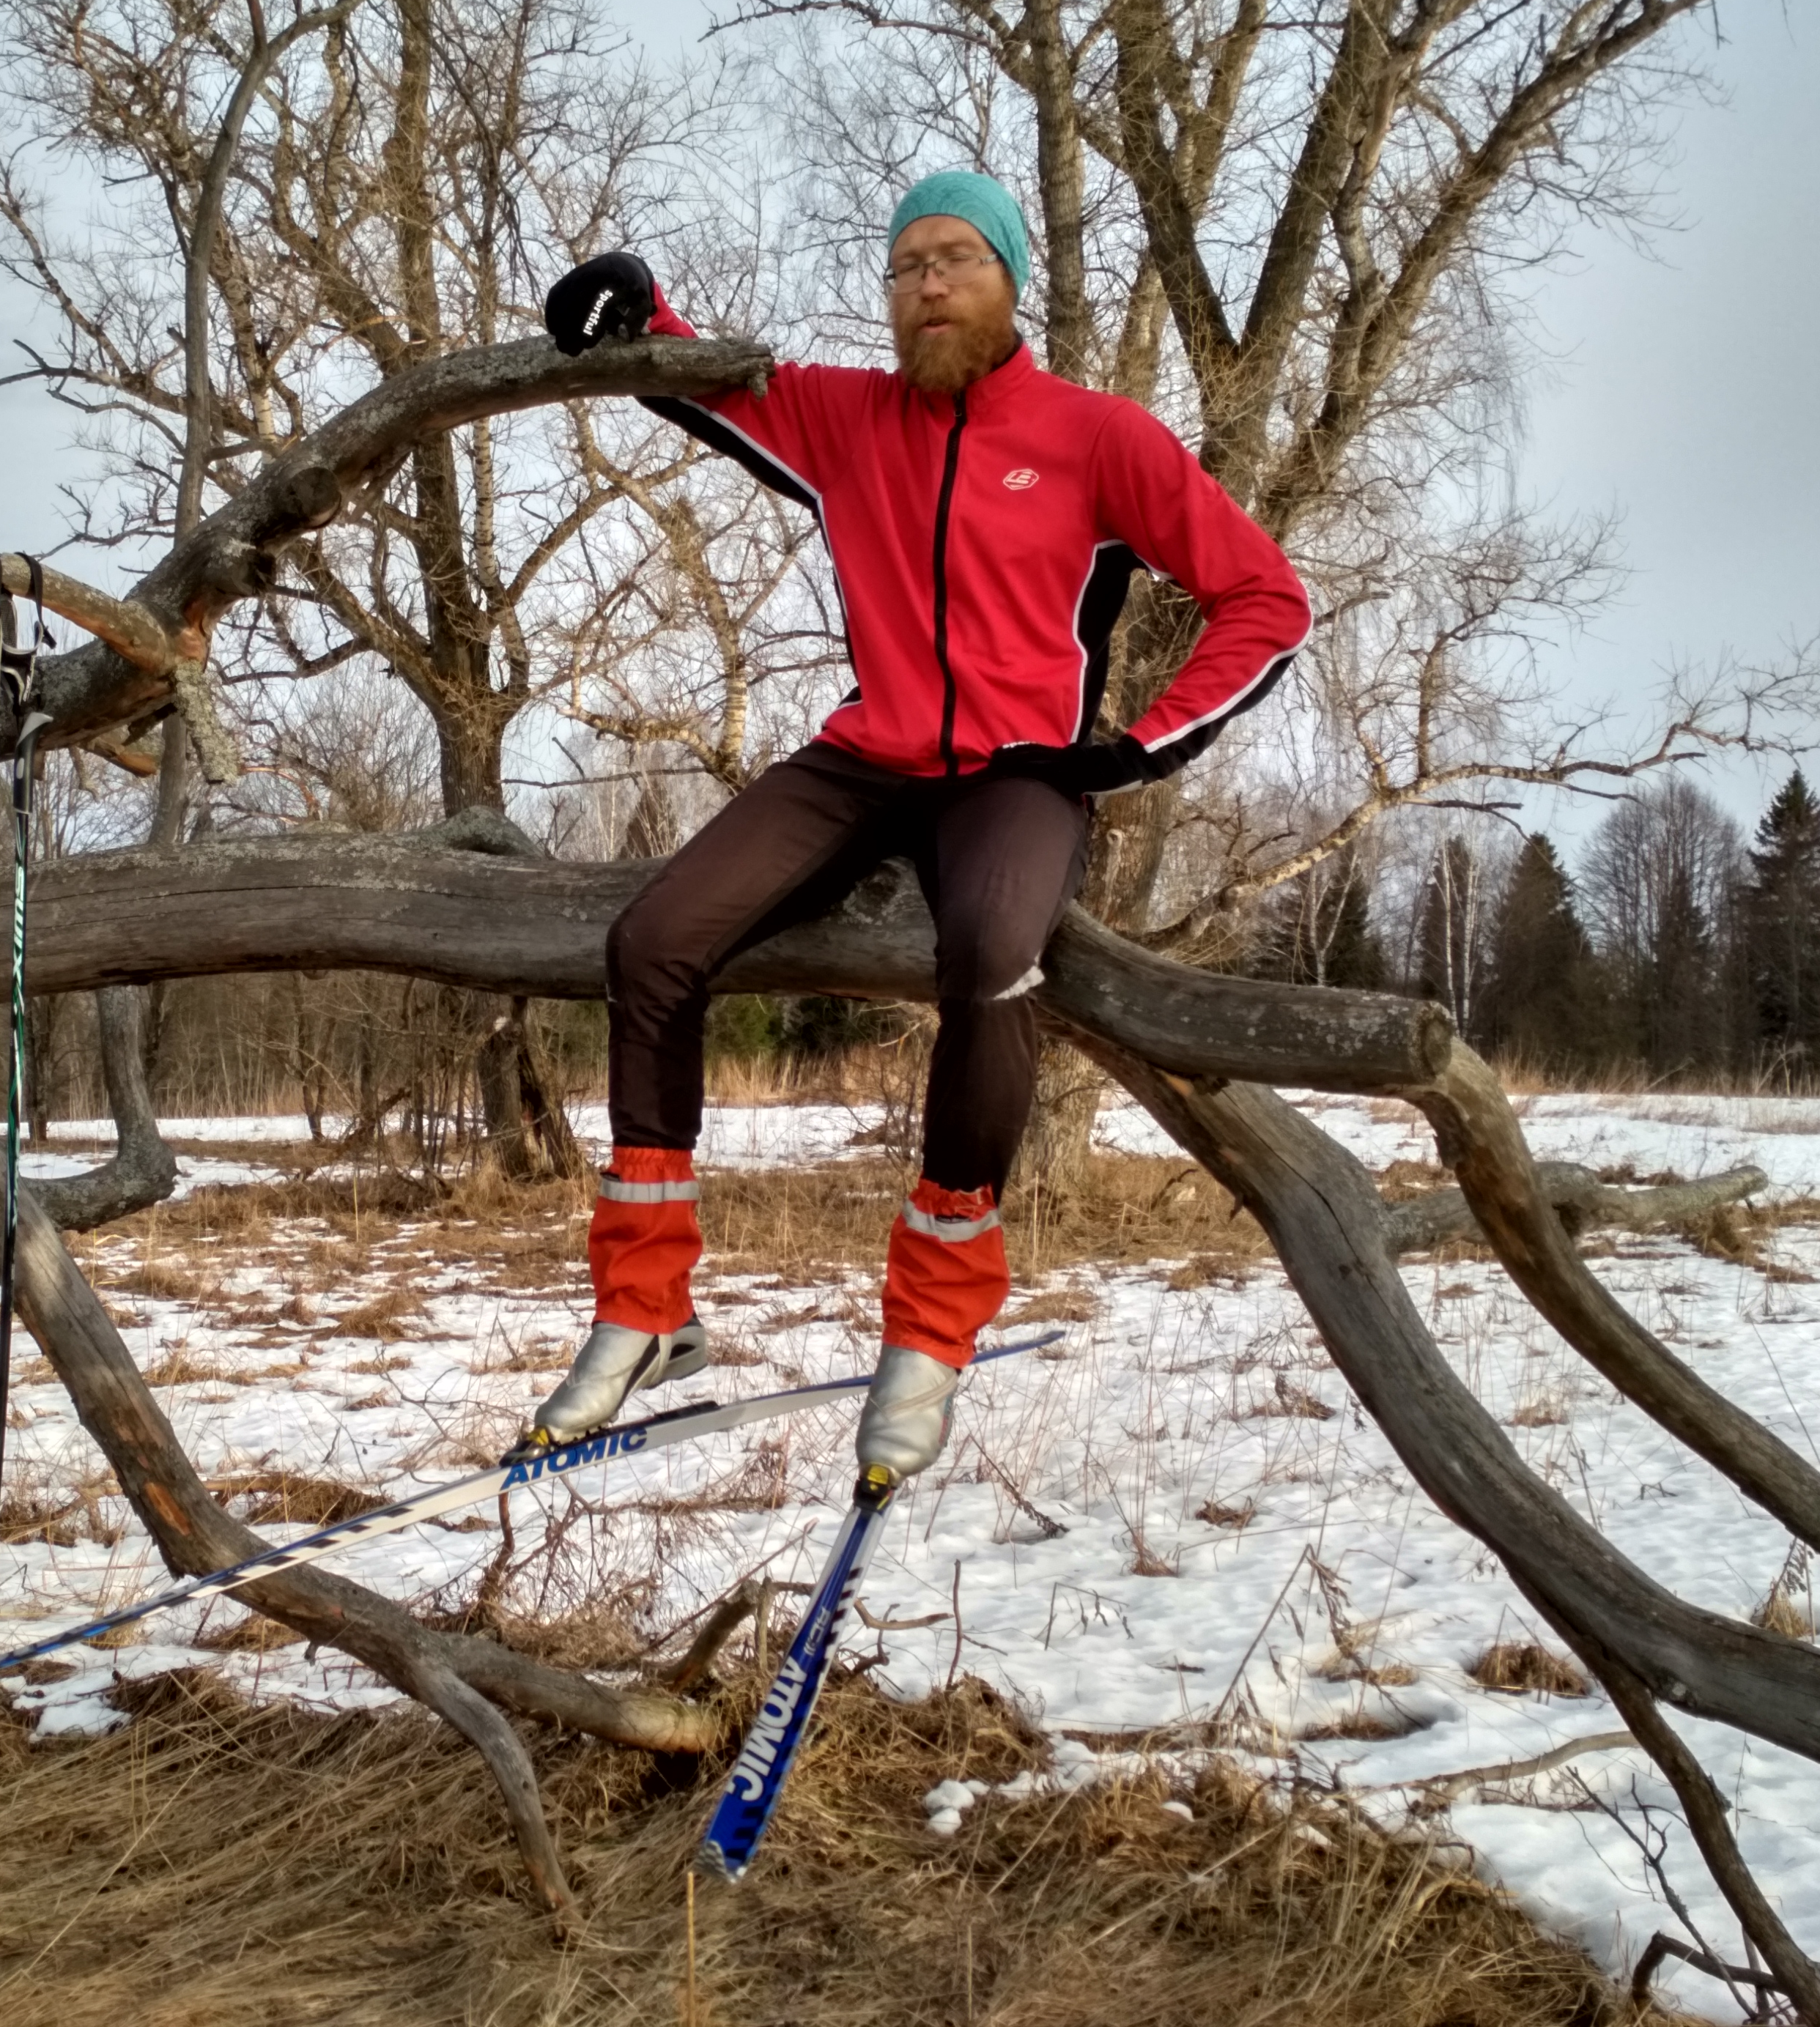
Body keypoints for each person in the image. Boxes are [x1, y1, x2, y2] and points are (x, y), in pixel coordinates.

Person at [521, 171, 1312, 1489]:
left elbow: (1266, 599)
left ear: (1009, 282)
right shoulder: (849, 417)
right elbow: (709, 382)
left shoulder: (1098, 435)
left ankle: (933, 1328)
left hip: (1016, 772)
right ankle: (646, 1308)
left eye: (956, 259)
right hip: (865, 757)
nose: (929, 283)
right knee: (653, 940)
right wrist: (638, 308)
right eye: (906, 266)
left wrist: (1133, 748)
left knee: (990, 956)